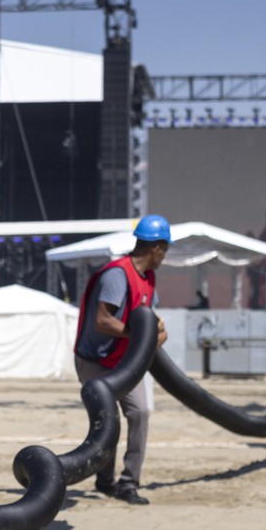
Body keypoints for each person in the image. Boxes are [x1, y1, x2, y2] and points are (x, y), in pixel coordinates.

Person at [72, 214, 171, 506]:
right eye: (165, 249)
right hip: (95, 361)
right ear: (157, 247)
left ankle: (129, 484)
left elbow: (148, 320)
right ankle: (104, 481)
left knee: (139, 412)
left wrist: (156, 334)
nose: (165, 255)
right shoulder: (117, 275)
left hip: (123, 361)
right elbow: (102, 322)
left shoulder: (148, 278)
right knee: (108, 420)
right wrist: (140, 337)